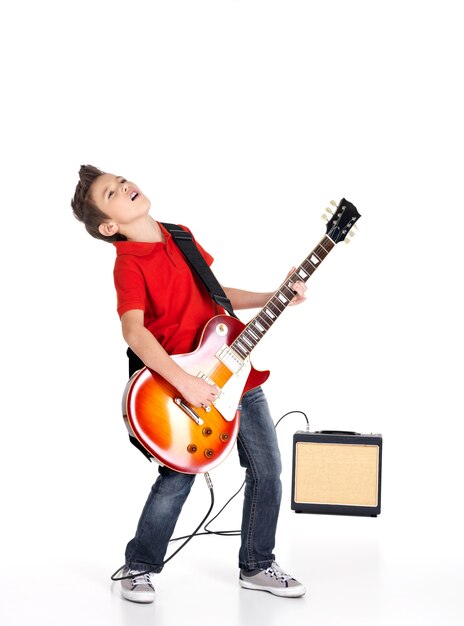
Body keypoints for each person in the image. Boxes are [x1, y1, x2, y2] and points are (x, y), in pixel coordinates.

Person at [71, 164, 308, 603]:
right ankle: (138, 567)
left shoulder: (179, 235)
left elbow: (218, 294)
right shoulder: (127, 265)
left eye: (120, 180)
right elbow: (134, 333)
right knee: (179, 477)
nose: (124, 186)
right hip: (181, 386)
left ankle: (257, 563)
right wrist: (185, 383)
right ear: (109, 226)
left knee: (267, 468)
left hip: (234, 369)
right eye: (110, 194)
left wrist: (275, 295)